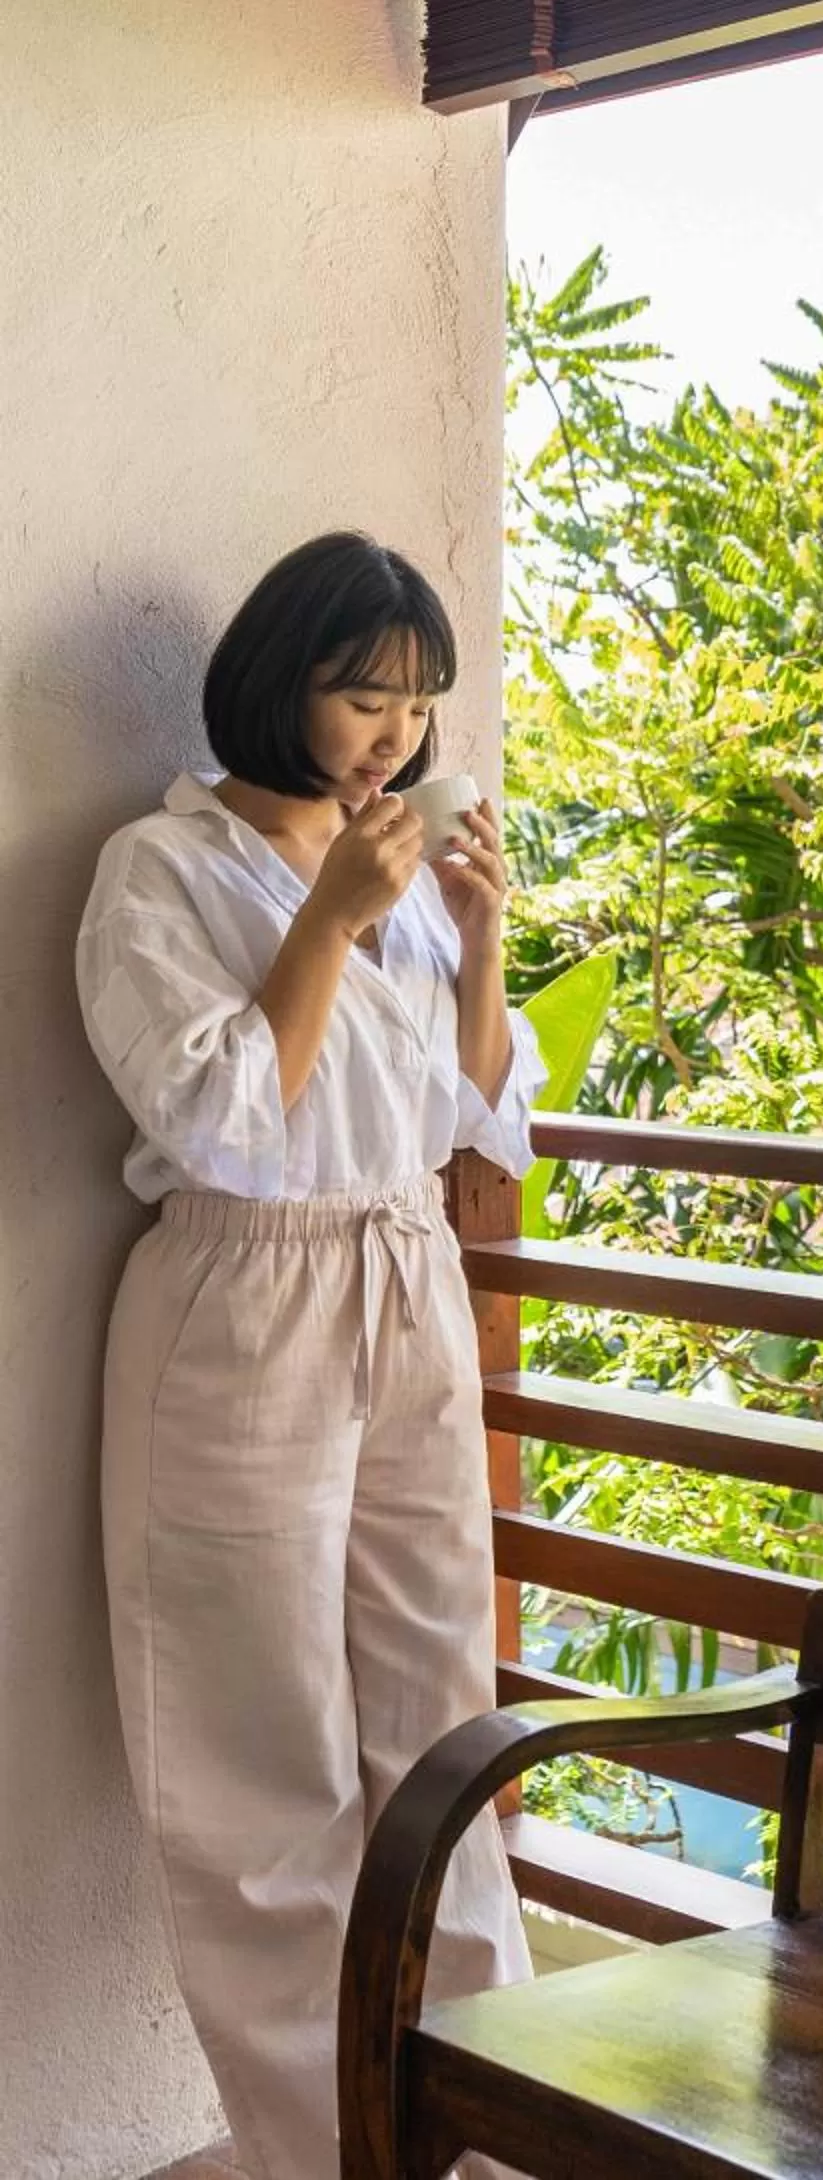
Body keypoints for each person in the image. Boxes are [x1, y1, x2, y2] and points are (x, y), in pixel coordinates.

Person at [78, 533, 545, 2180]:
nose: (395, 736)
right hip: (247, 1301)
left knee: (447, 1730)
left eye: (417, 704)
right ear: (283, 682)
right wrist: (335, 921)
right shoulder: (164, 868)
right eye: (364, 696)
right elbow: (217, 1118)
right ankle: (326, 2153)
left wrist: (473, 932)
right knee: (256, 1761)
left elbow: (482, 1109)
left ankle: (484, 2136)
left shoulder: (400, 863)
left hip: (405, 1266)